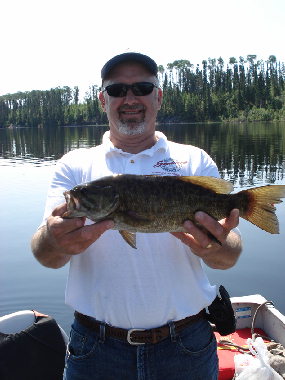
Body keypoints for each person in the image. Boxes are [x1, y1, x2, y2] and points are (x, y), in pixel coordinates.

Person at [31, 52, 242, 380]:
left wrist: (217, 248)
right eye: (117, 90)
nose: (129, 98)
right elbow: (46, 256)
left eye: (142, 87)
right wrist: (53, 240)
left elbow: (228, 257)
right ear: (103, 100)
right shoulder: (74, 166)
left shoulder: (194, 160)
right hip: (96, 350)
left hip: (186, 346)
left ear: (158, 97)